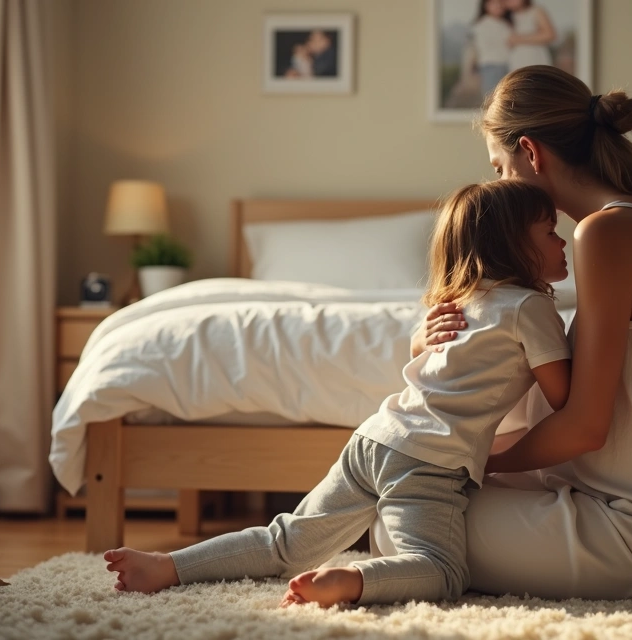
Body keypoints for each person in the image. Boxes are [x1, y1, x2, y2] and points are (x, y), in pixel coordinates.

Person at [100, 180, 574, 607]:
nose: (563, 241)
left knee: (283, 541)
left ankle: (168, 565)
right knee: (442, 571)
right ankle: (351, 580)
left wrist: (417, 339)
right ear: (513, 245)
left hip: (375, 438)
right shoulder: (530, 307)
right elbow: (565, 398)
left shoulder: (458, 300)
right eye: (549, 232)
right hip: (429, 461)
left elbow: (433, 357)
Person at [384, 64, 632, 599]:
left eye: (500, 167)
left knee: (395, 520)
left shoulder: (608, 232)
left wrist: (473, 461)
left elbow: (582, 429)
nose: (500, 185)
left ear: (530, 153)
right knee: (410, 490)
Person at [471, 0, 514, 96]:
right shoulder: (482, 24)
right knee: (492, 97)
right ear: (485, 5)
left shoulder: (505, 24)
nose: (498, 6)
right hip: (490, 65)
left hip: (506, 65)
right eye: (494, 3)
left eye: (500, 3)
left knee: (505, 97)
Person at [505, 0, 554, 71]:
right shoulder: (506, 16)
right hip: (515, 62)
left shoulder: (535, 10)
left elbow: (550, 34)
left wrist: (519, 39)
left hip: (534, 59)